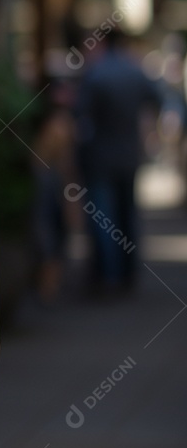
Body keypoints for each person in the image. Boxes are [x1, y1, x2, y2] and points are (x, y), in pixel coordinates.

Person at [75, 28, 162, 295]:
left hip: (100, 156)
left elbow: (81, 114)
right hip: (128, 155)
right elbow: (157, 100)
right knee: (127, 214)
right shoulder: (135, 71)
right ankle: (128, 272)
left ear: (103, 42)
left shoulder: (96, 73)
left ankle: (109, 276)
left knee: (104, 218)